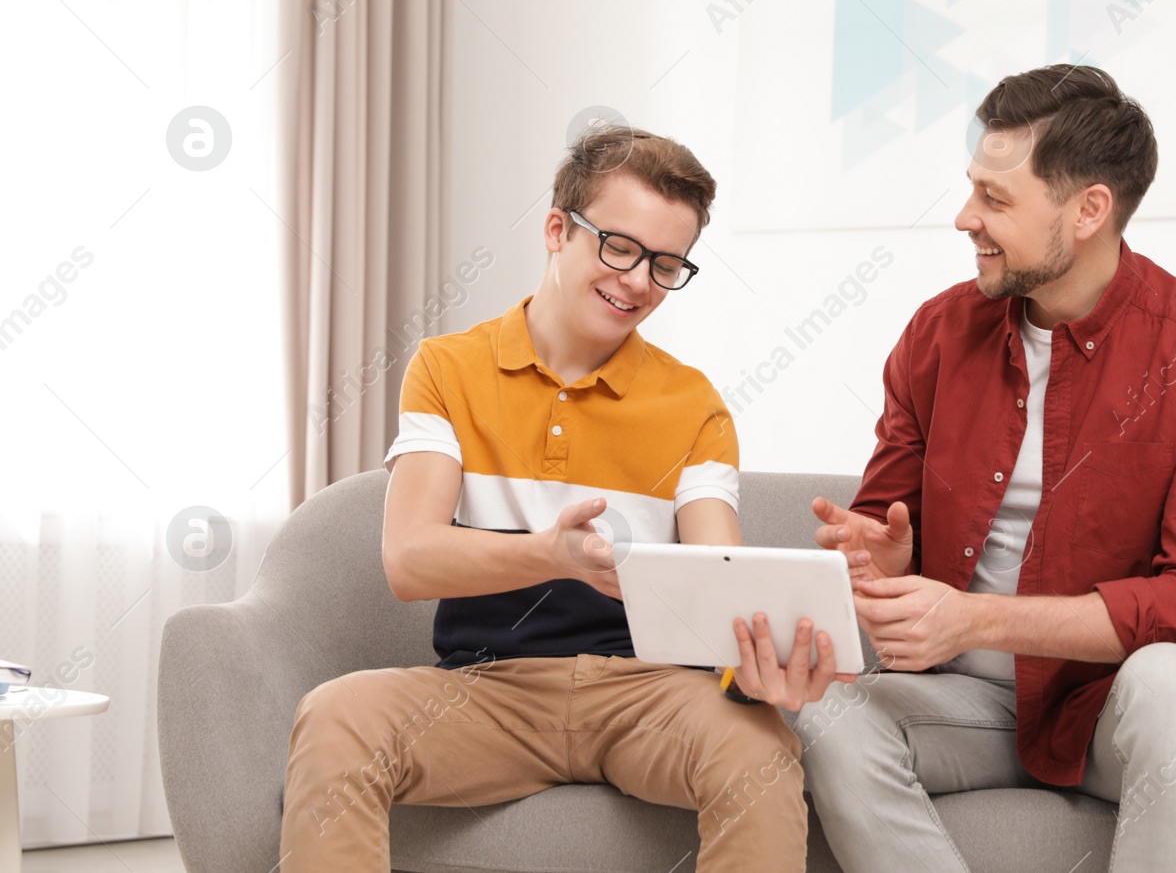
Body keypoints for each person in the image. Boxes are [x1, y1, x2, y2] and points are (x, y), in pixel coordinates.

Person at [279, 126, 850, 872]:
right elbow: (409, 559)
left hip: (646, 694)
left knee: (759, 746)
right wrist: (549, 555)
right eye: (620, 246)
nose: (639, 280)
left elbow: (723, 576)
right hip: (486, 691)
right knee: (336, 716)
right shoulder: (448, 368)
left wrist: (761, 664)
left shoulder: (694, 403)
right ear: (557, 229)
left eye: (666, 263)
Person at [797, 64, 1176, 872]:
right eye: (971, 189)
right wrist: (881, 557)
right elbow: (883, 524)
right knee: (821, 711)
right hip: (968, 703)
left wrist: (975, 619)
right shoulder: (939, 334)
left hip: (1117, 709)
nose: (964, 217)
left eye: (995, 198)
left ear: (1089, 209)